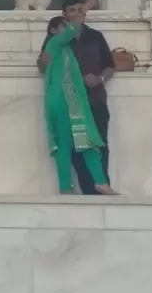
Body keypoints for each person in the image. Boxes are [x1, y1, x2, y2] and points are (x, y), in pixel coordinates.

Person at [41, 13, 115, 194]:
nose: (68, 30)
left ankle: (99, 182)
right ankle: (67, 187)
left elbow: (64, 76)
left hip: (70, 101)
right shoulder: (54, 44)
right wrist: (87, 7)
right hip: (62, 102)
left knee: (86, 140)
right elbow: (73, 29)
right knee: (66, 144)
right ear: (53, 30)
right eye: (63, 27)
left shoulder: (64, 50)